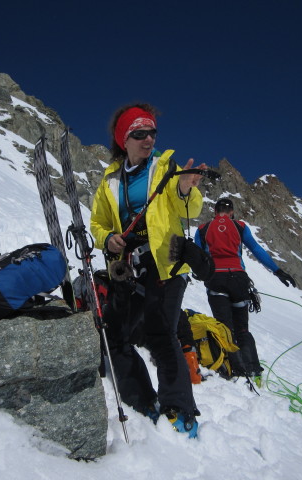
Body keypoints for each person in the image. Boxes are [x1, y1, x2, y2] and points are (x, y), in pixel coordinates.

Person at [90, 104, 207, 438]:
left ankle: (180, 411)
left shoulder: (164, 167)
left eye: (152, 132)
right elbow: (97, 221)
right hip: (131, 268)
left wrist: (185, 188)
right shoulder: (110, 180)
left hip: (166, 264)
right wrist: (108, 239)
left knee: (159, 331)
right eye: (139, 134)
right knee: (114, 335)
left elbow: (192, 208)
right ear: (123, 140)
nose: (148, 139)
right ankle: (143, 402)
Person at [195, 197, 297, 387]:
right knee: (242, 328)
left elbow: (197, 255)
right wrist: (277, 271)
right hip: (239, 280)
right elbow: (256, 249)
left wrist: (198, 272)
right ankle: (254, 371)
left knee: (225, 328)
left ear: (215, 212)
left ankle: (235, 371)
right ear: (231, 212)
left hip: (216, 279)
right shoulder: (240, 227)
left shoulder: (203, 229)